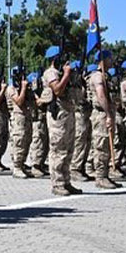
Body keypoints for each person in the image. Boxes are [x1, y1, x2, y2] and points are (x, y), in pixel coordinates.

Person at [40, 46, 80, 196]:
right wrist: (67, 74)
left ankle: (66, 181)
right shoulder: (50, 73)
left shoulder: (62, 73)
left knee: (69, 149)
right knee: (58, 150)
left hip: (68, 113)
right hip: (58, 116)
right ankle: (57, 183)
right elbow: (57, 90)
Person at [86, 52, 120, 189]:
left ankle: (105, 175)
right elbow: (100, 95)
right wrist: (108, 114)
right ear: (104, 60)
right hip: (101, 115)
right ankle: (100, 177)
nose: (112, 60)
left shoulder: (106, 76)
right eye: (110, 58)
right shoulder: (97, 76)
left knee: (106, 145)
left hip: (107, 113)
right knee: (101, 146)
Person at [8, 68, 34, 179]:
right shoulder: (11, 88)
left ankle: (22, 164)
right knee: (19, 141)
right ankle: (17, 167)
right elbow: (18, 101)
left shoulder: (24, 87)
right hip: (18, 118)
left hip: (27, 117)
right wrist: (23, 88)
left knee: (27, 141)